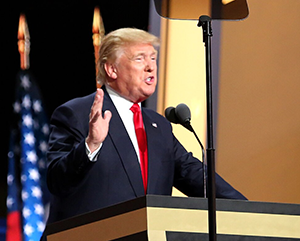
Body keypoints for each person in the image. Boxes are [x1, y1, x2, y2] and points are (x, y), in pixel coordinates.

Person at [44, 27, 246, 229]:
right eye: (140, 59)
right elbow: (57, 181)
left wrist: (249, 210)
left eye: (153, 58)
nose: (151, 67)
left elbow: (193, 175)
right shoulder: (76, 114)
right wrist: (91, 144)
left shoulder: (159, 126)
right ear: (111, 69)